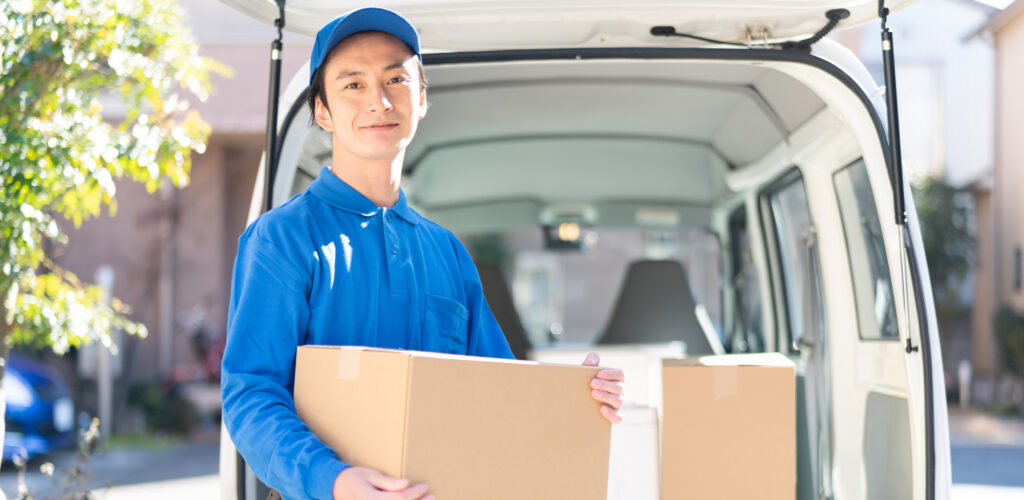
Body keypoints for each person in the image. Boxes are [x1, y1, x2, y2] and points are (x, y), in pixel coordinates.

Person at [221, 7, 625, 500]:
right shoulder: (283, 238)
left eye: (396, 79)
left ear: (422, 100)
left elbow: (499, 392)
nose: (379, 101)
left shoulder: (446, 252)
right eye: (353, 84)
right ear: (322, 111)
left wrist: (574, 398)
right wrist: (334, 480)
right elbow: (252, 394)